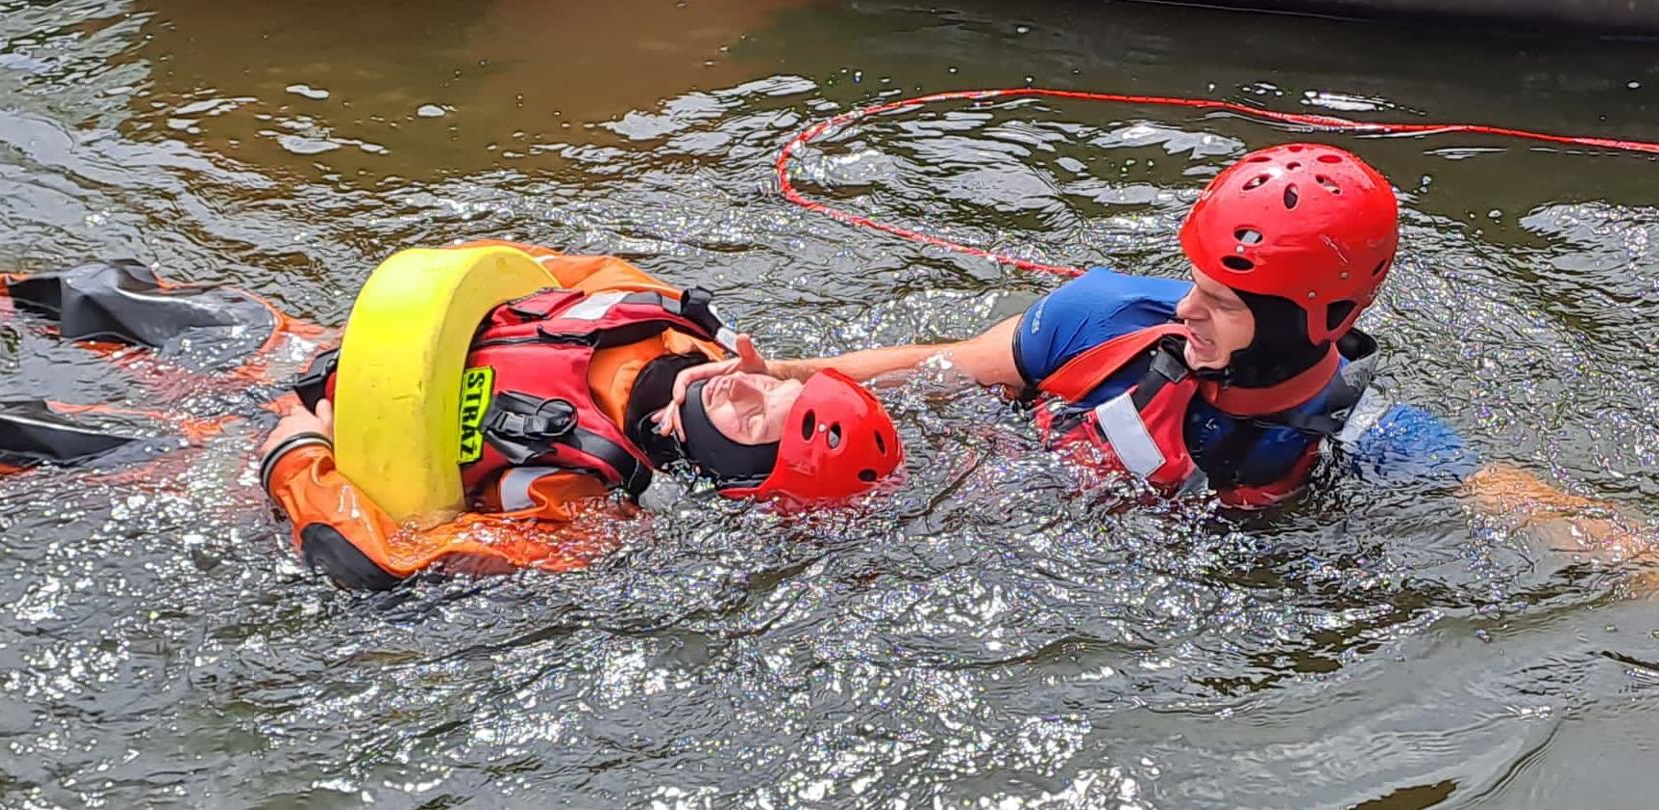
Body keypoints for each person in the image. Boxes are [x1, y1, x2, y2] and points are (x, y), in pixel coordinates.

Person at [0, 203, 905, 591]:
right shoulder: (650, 304)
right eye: (780, 379)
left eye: (758, 416)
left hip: (281, 458)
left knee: (3, 436)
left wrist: (294, 451)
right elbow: (517, 274)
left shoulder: (581, 513)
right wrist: (372, 344)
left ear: (723, 466)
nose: (751, 381)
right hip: (333, 356)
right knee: (113, 296)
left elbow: (381, 560)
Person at [657, 143, 1647, 551]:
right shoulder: (1101, 318)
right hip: (986, 496)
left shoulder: (1351, 440)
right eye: (1196, 283)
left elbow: (1518, 498)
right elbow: (950, 365)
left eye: (1224, 301)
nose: (1188, 311)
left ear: (1319, 319)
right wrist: (786, 376)